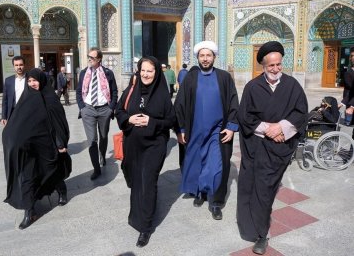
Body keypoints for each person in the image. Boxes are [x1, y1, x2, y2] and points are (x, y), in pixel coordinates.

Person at [236, 41, 308, 255]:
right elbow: (244, 116)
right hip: (258, 147)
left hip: (281, 147)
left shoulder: (292, 85)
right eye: (271, 66)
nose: (276, 69)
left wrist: (282, 128)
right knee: (258, 190)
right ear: (263, 66)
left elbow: (301, 112)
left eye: (279, 64)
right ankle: (260, 234)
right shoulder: (252, 87)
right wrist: (267, 129)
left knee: (267, 190)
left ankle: (261, 230)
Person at [174, 41, 239, 220]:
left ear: (214, 57)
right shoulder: (190, 78)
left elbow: (234, 101)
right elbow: (179, 103)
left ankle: (216, 202)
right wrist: (181, 128)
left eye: (208, 55)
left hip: (217, 132)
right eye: (202, 55)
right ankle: (200, 193)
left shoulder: (224, 77)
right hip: (195, 131)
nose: (205, 59)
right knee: (198, 164)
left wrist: (232, 127)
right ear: (198, 57)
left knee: (217, 166)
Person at [115, 56, 175, 248]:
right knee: (136, 181)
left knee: (147, 182)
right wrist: (129, 119)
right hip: (133, 144)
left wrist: (152, 122)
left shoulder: (162, 95)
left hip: (154, 145)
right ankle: (136, 216)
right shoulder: (132, 90)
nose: (146, 74)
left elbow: (171, 121)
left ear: (156, 73)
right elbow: (119, 110)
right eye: (143, 70)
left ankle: (146, 227)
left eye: (150, 71)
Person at [2, 68, 71, 230]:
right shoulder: (25, 99)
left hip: (49, 146)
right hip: (29, 149)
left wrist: (61, 143)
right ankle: (29, 212)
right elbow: (16, 122)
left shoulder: (50, 99)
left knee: (52, 172)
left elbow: (59, 123)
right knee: (27, 178)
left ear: (42, 80)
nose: (32, 83)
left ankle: (62, 191)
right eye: (29, 81)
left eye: (35, 80)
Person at [76, 47, 118, 180]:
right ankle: (96, 168)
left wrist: (111, 108)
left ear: (99, 59)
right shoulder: (83, 73)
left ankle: (102, 156)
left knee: (103, 136)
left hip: (104, 109)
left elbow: (114, 91)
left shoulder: (108, 73)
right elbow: (78, 91)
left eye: (92, 58)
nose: (89, 59)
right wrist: (82, 107)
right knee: (92, 140)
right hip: (88, 109)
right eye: (89, 56)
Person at [1, 56, 26, 126]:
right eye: (16, 65)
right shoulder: (8, 81)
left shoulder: (30, 79)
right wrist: (4, 116)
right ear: (13, 66)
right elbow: (5, 100)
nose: (19, 67)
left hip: (27, 112)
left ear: (24, 65)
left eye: (21, 65)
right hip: (13, 112)